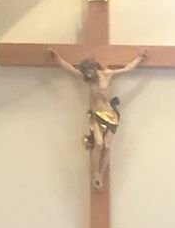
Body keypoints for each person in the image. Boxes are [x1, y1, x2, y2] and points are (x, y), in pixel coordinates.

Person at [50, 49, 148, 190]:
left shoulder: (107, 74)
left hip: (110, 114)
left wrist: (139, 58)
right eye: (86, 74)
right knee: (98, 143)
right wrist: (56, 57)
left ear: (94, 68)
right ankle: (95, 174)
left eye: (90, 73)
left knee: (107, 146)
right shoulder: (87, 78)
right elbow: (71, 69)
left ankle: (101, 175)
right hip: (96, 114)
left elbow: (127, 69)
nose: (89, 76)